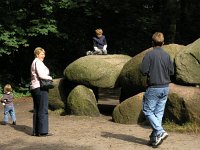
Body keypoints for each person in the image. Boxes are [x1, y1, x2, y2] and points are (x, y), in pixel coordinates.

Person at [140, 32, 174, 147]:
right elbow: (172, 72)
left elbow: (143, 70)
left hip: (154, 87)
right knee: (158, 113)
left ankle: (160, 131)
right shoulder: (167, 55)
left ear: (152, 42)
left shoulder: (149, 55)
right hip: (165, 87)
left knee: (147, 111)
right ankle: (155, 139)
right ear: (163, 43)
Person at [30, 47, 53, 137]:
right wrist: (50, 78)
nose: (44, 55)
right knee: (43, 109)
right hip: (40, 87)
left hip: (35, 87)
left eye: (44, 54)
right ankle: (43, 131)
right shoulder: (38, 62)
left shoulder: (34, 62)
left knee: (37, 109)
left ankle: (36, 131)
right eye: (42, 54)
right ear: (37, 54)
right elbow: (41, 75)